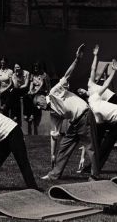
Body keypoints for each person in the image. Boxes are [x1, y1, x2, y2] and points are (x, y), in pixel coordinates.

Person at [33, 44, 100, 181]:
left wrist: (77, 60)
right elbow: (55, 135)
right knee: (64, 146)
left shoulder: (53, 93)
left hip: (85, 116)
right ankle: (54, 174)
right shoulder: (52, 113)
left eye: (38, 104)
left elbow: (67, 75)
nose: (39, 108)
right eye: (37, 107)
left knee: (90, 147)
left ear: (41, 98)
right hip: (75, 123)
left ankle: (94, 176)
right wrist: (52, 155)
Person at [27, 61, 51, 134]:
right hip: (34, 90)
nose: (35, 68)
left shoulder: (43, 74)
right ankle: (31, 112)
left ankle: (32, 114)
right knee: (27, 97)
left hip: (41, 90)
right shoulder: (32, 75)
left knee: (34, 98)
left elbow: (42, 84)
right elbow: (31, 83)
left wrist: (35, 91)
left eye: (37, 67)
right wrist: (30, 90)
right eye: (34, 67)